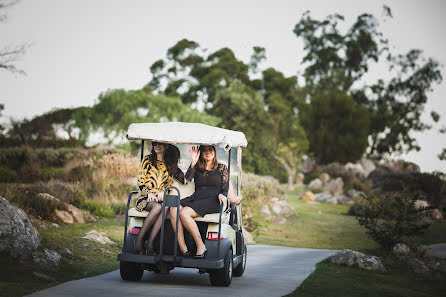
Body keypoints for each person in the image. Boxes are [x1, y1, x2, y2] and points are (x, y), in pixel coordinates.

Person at [170, 145, 228, 258]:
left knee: (184, 212)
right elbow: (186, 179)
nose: (208, 153)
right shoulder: (197, 166)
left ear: (214, 152)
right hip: (197, 197)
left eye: (210, 150)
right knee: (174, 208)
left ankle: (200, 246)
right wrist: (193, 161)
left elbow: (224, 187)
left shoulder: (222, 168)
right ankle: (184, 249)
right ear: (200, 153)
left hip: (213, 199)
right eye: (204, 151)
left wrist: (223, 195)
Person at [134, 142, 184, 255]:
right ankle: (139, 240)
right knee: (157, 207)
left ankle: (150, 243)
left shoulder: (169, 164)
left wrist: (163, 192)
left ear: (166, 146)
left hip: (161, 198)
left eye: (160, 144)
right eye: (155, 143)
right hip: (145, 197)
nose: (157, 145)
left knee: (165, 206)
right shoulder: (147, 160)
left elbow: (169, 184)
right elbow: (140, 181)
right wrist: (149, 194)